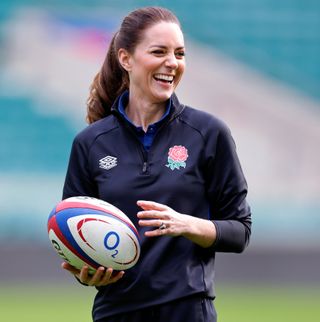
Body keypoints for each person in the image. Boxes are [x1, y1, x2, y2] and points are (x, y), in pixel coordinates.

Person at [61, 6, 251, 322]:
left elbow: (240, 230)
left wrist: (187, 224)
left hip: (188, 310)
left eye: (179, 53)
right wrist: (87, 273)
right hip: (116, 313)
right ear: (126, 59)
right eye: (159, 51)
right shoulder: (90, 143)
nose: (172, 63)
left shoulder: (208, 133)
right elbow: (75, 235)